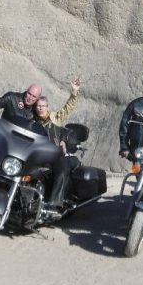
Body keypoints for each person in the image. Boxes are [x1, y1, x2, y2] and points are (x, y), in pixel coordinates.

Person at [31, 79, 81, 209]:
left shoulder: (55, 117)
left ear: (47, 107)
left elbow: (67, 108)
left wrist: (74, 93)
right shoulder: (32, 121)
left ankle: (54, 203)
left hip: (54, 154)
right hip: (36, 155)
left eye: (42, 106)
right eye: (38, 106)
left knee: (62, 169)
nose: (40, 108)